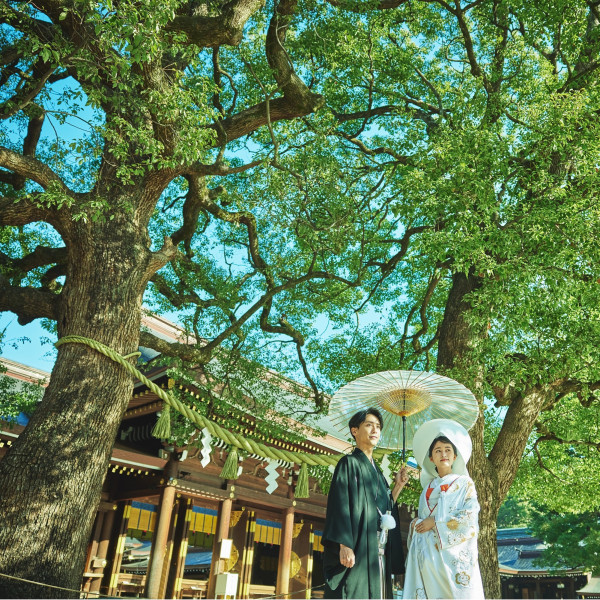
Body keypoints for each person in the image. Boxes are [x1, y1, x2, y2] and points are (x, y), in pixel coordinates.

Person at [322, 407, 410, 599]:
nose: (375, 430)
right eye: (369, 425)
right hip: (358, 547)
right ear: (355, 430)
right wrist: (344, 544)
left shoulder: (377, 473)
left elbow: (384, 510)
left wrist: (398, 486)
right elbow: (340, 504)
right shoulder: (348, 463)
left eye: (378, 426)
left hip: (378, 550)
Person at [402, 418, 484, 600]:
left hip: (451, 558)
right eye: (437, 451)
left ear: (455, 456)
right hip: (428, 557)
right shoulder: (427, 489)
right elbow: (423, 517)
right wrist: (417, 523)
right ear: (431, 458)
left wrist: (436, 523)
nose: (443, 454)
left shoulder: (464, 483)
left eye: (448, 450)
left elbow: (469, 517)